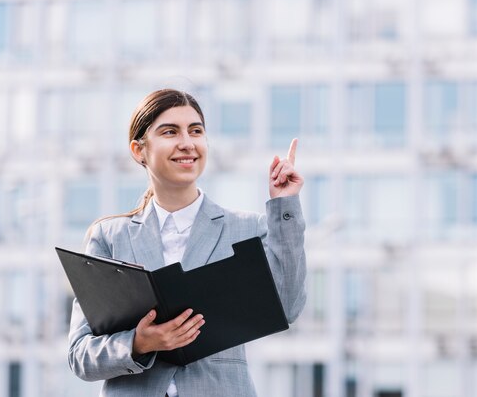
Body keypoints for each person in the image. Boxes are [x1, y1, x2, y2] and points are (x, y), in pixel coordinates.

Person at [67, 89, 307, 397]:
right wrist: (140, 343)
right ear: (139, 150)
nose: (187, 142)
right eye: (170, 132)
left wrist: (284, 207)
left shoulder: (246, 229)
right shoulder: (109, 238)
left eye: (196, 131)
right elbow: (80, 354)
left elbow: (287, 307)